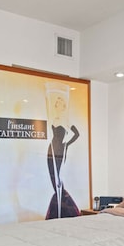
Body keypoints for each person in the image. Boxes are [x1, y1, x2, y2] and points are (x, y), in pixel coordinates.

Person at [45, 84, 80, 219]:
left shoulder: (66, 120)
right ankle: (58, 208)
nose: (57, 105)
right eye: (56, 103)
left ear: (63, 106)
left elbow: (77, 134)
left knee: (58, 178)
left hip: (60, 149)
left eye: (59, 103)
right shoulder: (54, 118)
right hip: (51, 149)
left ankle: (64, 208)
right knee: (53, 177)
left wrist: (67, 145)